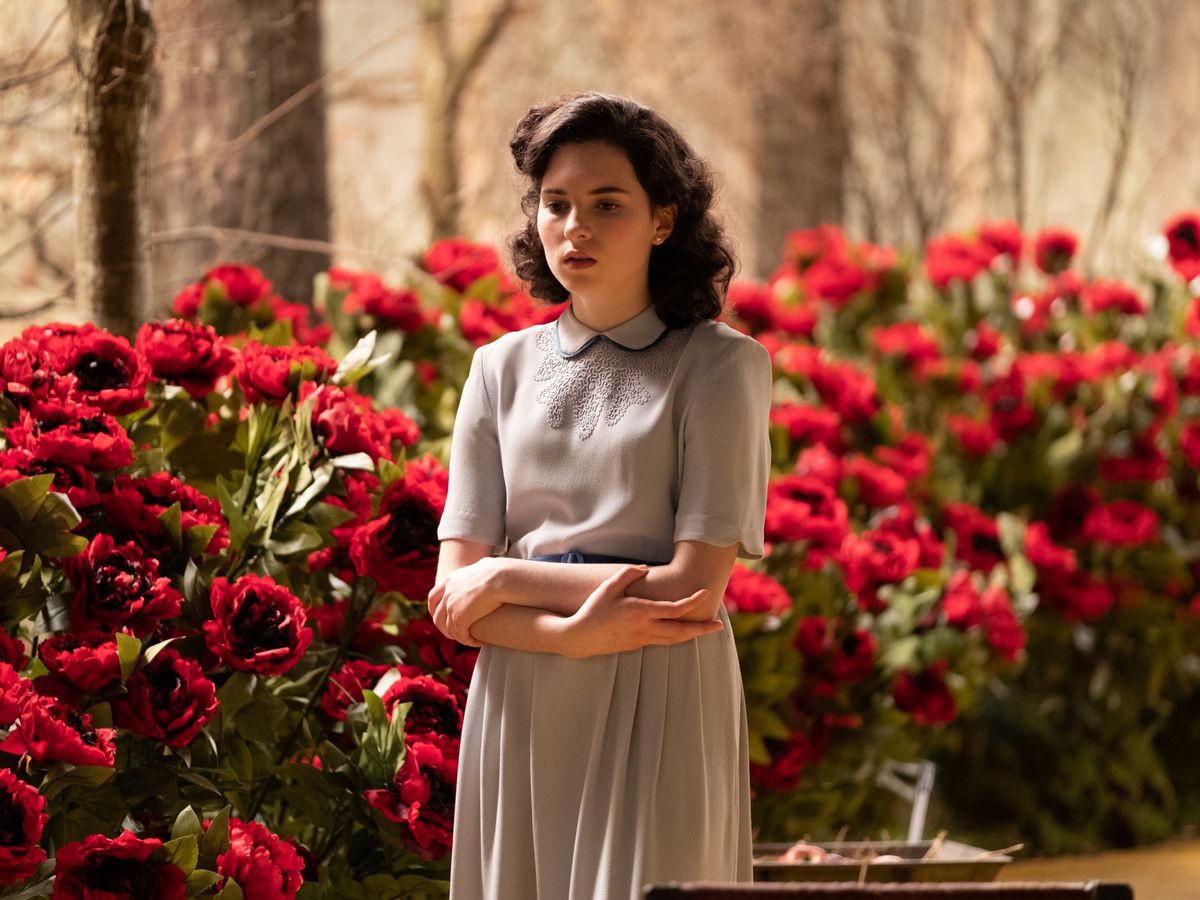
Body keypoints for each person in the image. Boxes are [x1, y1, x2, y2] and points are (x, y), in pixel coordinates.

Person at [428, 91, 772, 899]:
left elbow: (692, 588)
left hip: (663, 692)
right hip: (521, 700)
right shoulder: (496, 370)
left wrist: (509, 580)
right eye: (557, 204)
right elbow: (452, 597)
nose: (574, 227)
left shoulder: (722, 367)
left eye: (606, 204)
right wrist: (573, 637)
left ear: (663, 219)